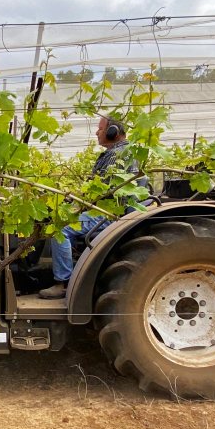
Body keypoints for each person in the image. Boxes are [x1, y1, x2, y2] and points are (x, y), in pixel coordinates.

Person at [39, 115, 137, 299]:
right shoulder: (125, 152)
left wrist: (72, 198)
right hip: (108, 209)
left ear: (112, 132)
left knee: (59, 230)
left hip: (107, 214)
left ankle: (63, 282)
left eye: (100, 129)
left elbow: (98, 191)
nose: (96, 133)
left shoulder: (115, 155)